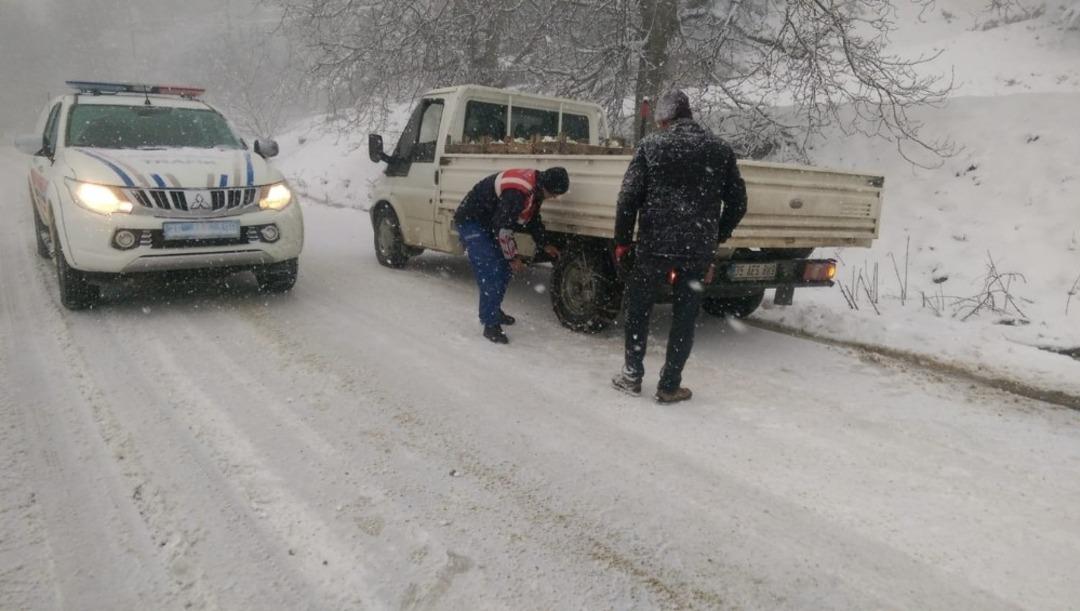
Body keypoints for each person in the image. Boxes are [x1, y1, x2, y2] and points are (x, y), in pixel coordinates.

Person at [611, 90, 747, 403]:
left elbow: (628, 198)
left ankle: (631, 376)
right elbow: (739, 203)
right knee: (685, 317)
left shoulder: (652, 145)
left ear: (665, 117)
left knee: (639, 310)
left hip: (654, 245)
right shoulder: (719, 149)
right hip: (698, 248)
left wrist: (621, 242)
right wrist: (715, 237)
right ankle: (670, 385)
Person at [454, 167, 568, 344]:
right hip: (472, 221)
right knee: (491, 270)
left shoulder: (535, 188)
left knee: (503, 269)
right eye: (554, 194)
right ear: (547, 186)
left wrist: (544, 243)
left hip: (489, 223)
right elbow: (503, 226)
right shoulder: (519, 191)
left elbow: (532, 219)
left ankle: (494, 310)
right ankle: (490, 323)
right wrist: (513, 257)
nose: (553, 198)